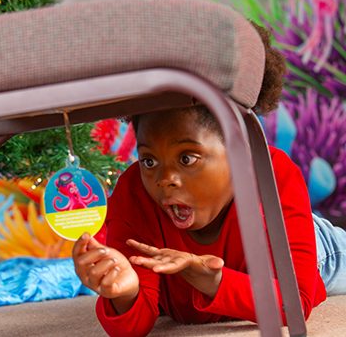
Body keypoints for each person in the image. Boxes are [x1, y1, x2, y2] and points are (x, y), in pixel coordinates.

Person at [72, 23, 346, 337]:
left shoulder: (273, 174)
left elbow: (293, 303)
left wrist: (207, 277)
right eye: (149, 160)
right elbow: (134, 323)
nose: (165, 179)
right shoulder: (134, 193)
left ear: (238, 148)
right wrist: (125, 293)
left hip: (317, 250)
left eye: (187, 158)